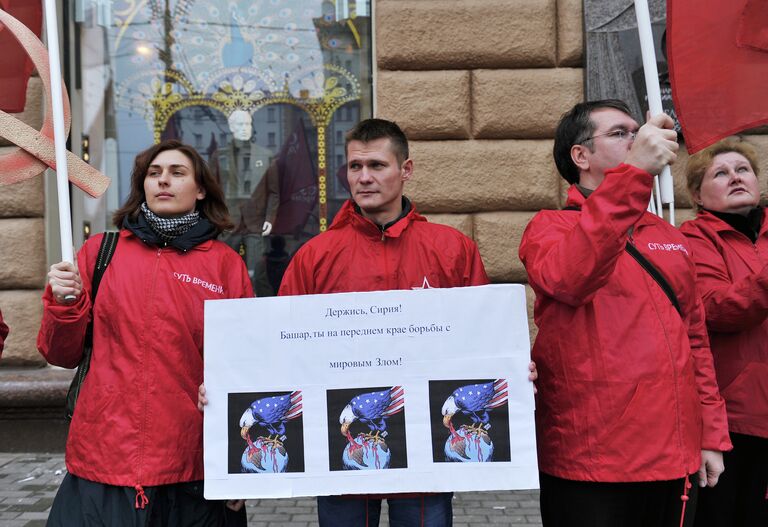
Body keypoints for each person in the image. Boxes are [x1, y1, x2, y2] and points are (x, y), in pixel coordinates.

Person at [200, 118, 537, 526]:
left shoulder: (452, 250)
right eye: (355, 167)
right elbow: (279, 349)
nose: (364, 177)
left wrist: (512, 369)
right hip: (340, 457)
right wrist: (229, 387)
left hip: (425, 454)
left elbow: (482, 341)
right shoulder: (315, 256)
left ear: (405, 170)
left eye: (377, 166)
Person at [518, 100, 732, 527]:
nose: (636, 139)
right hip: (590, 461)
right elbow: (573, 276)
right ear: (581, 156)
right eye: (619, 134)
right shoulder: (548, 228)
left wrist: (711, 436)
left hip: (675, 456)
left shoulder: (668, 236)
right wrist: (633, 174)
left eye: (636, 131)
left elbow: (695, 341)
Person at [38, 140, 253, 526]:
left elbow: (248, 368)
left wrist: (238, 470)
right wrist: (64, 303)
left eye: (177, 173)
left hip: (192, 465)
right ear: (143, 187)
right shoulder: (99, 253)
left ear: (201, 189)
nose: (163, 181)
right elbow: (60, 354)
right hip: (104, 462)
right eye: (154, 174)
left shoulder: (225, 266)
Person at [679, 138, 768, 527]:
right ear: (698, 195)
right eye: (721, 173)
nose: (735, 177)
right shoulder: (694, 239)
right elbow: (716, 308)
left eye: (743, 169)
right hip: (735, 419)